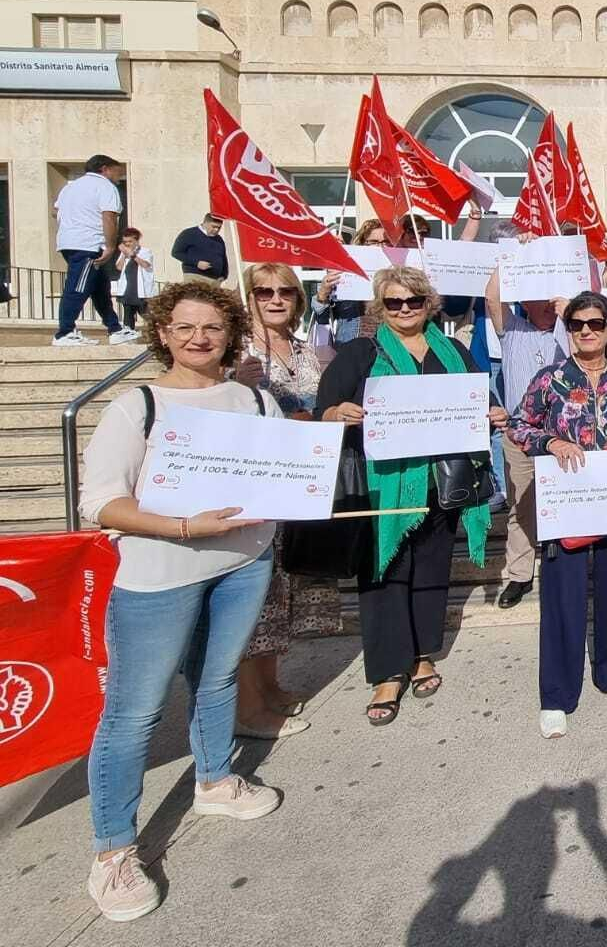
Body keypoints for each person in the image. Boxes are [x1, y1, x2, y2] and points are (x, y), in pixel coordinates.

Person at [79, 279, 283, 922]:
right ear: (163, 333)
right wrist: (184, 527)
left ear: (231, 335)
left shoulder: (257, 400)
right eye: (186, 327)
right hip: (159, 573)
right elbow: (100, 503)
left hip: (243, 564)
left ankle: (215, 779)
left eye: (213, 327)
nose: (200, 338)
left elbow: (284, 473)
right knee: (134, 712)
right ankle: (114, 850)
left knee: (218, 679)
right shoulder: (135, 406)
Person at [314, 266, 504, 726]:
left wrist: (492, 413)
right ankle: (386, 673)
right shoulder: (361, 353)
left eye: (413, 301)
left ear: (428, 304)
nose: (404, 309)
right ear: (380, 307)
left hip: (443, 483)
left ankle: (422, 655)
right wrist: (338, 413)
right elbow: (324, 408)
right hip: (386, 488)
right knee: (385, 574)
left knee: (432, 570)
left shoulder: (454, 351)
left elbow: (478, 400)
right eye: (393, 302)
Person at [509, 292, 607, 740]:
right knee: (562, 600)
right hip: (566, 504)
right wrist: (550, 442)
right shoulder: (550, 380)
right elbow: (518, 425)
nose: (585, 331)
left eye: (595, 323)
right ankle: (557, 695)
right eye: (576, 324)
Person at [228, 263, 340, 738]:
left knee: (280, 596)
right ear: (248, 297)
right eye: (263, 291)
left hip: (299, 486)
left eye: (286, 292)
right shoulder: (235, 352)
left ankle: (270, 687)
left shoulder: (306, 349)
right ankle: (248, 709)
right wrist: (236, 383)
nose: (275, 299)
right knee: (252, 600)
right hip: (253, 489)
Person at [484, 266, 565, 610]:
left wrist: (567, 312)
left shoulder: (572, 329)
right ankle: (519, 575)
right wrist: (512, 257)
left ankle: (563, 568)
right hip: (520, 434)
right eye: (538, 296)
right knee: (521, 507)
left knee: (565, 504)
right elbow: (492, 297)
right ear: (524, 302)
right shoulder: (513, 330)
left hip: (563, 435)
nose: (546, 303)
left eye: (550, 296)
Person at [53, 153, 138, 347]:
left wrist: (73, 223)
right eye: (117, 171)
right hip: (88, 245)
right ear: (104, 169)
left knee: (100, 287)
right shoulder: (105, 186)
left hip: (70, 242)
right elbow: (109, 217)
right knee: (77, 287)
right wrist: (110, 246)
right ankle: (64, 332)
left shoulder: (71, 187)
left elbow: (55, 211)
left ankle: (115, 328)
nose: (119, 176)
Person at [313, 218, 390, 345]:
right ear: (362, 244)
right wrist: (323, 293)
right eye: (373, 242)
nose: (380, 246)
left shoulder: (398, 274)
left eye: (386, 242)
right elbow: (322, 319)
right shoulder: (346, 274)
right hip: (350, 347)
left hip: (388, 349)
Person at [112, 228, 155, 331]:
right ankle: (128, 332)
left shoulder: (145, 251)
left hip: (141, 291)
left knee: (146, 314)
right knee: (128, 315)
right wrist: (124, 254)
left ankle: (156, 332)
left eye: (130, 241)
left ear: (136, 240)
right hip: (128, 290)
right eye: (125, 242)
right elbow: (119, 267)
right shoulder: (124, 253)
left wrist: (133, 255)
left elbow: (146, 265)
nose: (127, 244)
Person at [171, 213, 230, 281]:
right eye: (214, 226)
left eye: (219, 227)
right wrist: (197, 263)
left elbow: (223, 258)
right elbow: (176, 253)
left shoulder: (219, 239)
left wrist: (224, 275)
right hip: (195, 277)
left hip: (215, 280)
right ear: (205, 223)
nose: (216, 230)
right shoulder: (189, 234)